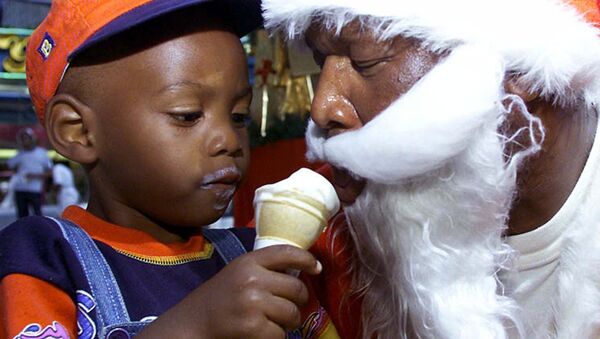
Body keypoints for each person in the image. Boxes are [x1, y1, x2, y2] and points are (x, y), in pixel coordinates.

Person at [0, 1, 340, 338]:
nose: (228, 140)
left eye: (238, 116)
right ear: (78, 131)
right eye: (188, 114)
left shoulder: (254, 255)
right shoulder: (44, 259)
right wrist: (197, 325)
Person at [262, 0, 600, 338]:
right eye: (321, 62)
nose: (322, 108)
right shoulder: (318, 242)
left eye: (365, 61)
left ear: (521, 73)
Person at [7, 127, 52, 218]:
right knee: (22, 216)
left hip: (34, 190)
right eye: (22, 139)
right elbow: (10, 166)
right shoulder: (20, 154)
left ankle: (38, 231)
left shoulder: (41, 153)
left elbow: (49, 173)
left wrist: (35, 176)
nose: (24, 141)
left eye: (26, 138)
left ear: (32, 139)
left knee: (37, 215)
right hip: (20, 189)